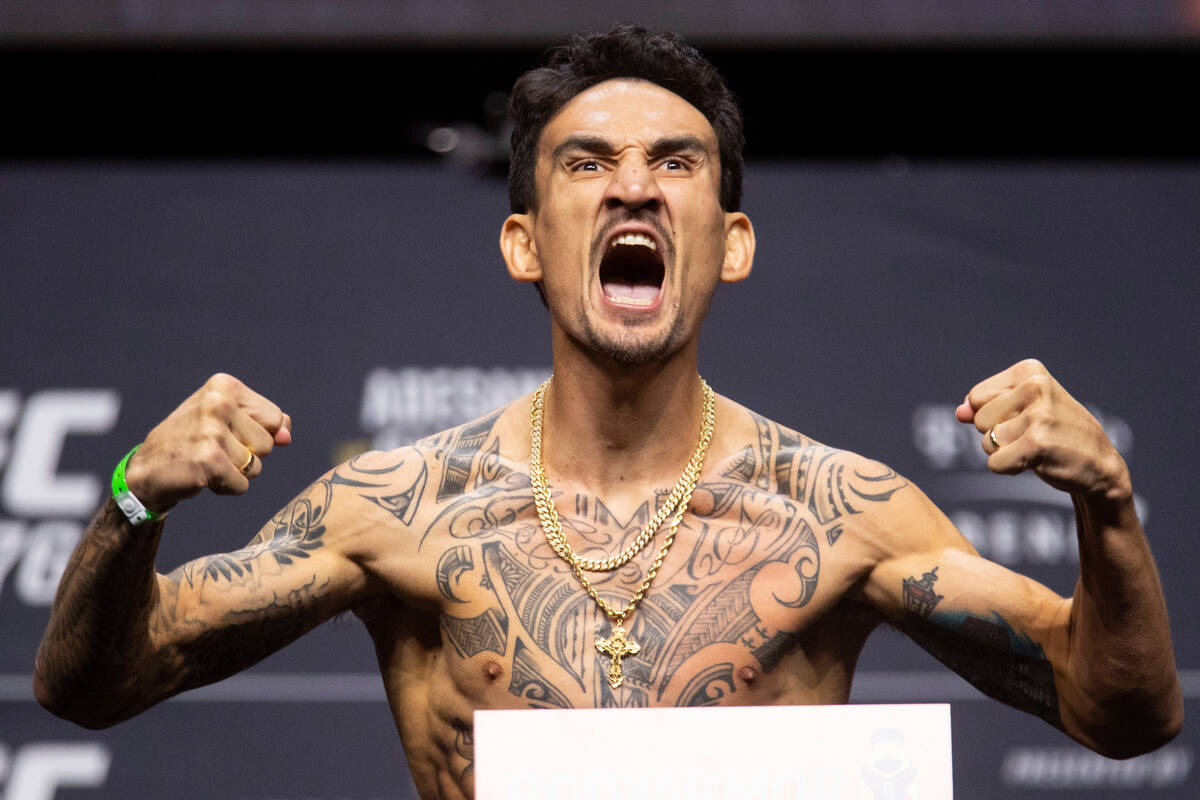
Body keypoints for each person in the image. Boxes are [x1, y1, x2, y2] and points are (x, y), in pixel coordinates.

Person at [34, 26, 1181, 800]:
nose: (633, 184)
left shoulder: (842, 516)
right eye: (587, 163)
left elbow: (1119, 714)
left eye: (676, 162)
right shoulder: (401, 510)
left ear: (730, 243)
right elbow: (95, 683)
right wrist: (134, 494)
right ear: (524, 241)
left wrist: (1110, 507)